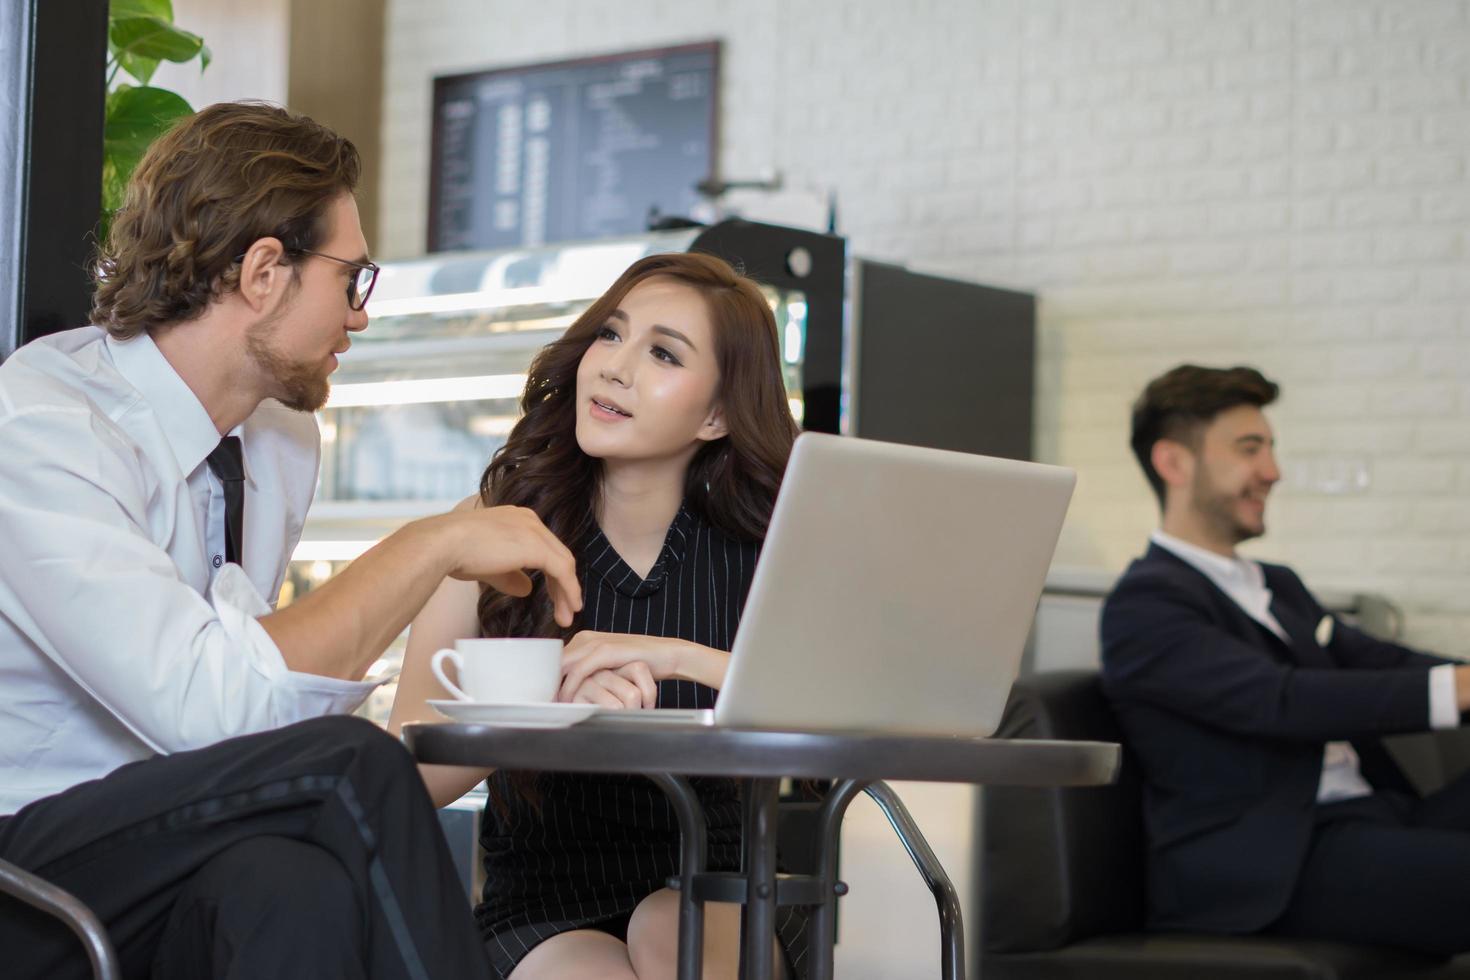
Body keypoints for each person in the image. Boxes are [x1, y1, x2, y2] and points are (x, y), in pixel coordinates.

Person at [0, 101, 581, 979]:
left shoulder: (280, 440)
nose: (361, 318)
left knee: (290, 887)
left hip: (176, 837)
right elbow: (211, 707)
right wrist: (430, 546)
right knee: (354, 764)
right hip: (27, 865)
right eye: (353, 279)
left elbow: (239, 724)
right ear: (265, 271)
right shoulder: (44, 424)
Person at [388, 251, 808, 979]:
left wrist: (682, 658)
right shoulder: (492, 530)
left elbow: (839, 716)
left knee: (665, 927)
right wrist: (533, 709)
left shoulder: (768, 545)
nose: (614, 367)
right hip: (543, 904)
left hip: (720, 888)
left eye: (663, 354)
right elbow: (403, 778)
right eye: (610, 336)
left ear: (716, 414)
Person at [1100, 363, 1470, 955]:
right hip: (1277, 861)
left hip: (1376, 817)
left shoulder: (1278, 586)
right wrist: (1459, 690)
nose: (1273, 472)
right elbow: (1280, 700)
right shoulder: (1146, 607)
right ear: (1174, 462)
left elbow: (1379, 660)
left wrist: (1461, 679)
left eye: (1271, 449)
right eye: (1251, 449)